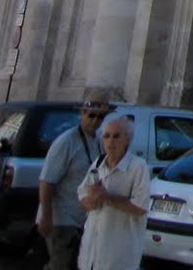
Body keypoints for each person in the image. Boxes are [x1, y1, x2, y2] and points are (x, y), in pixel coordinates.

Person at [38, 95, 110, 270]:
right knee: (59, 265)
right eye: (91, 115)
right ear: (82, 114)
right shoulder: (66, 142)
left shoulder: (99, 142)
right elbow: (47, 181)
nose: (95, 121)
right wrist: (46, 216)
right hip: (61, 219)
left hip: (83, 219)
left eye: (100, 117)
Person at [77, 116, 150, 270]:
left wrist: (108, 197)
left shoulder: (138, 167)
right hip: (90, 256)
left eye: (117, 136)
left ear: (128, 139)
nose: (111, 141)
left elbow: (140, 207)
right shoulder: (98, 163)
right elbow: (82, 194)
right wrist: (91, 199)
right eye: (107, 136)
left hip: (118, 258)